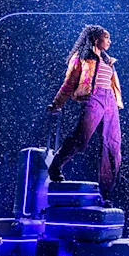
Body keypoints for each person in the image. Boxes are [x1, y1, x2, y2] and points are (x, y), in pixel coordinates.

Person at [46, 24, 123, 207]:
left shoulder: (108, 61)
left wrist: (114, 102)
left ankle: (106, 194)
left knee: (112, 145)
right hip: (93, 97)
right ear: (95, 39)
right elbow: (69, 83)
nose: (110, 41)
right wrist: (57, 103)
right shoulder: (81, 57)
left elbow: (112, 85)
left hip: (110, 101)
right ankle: (55, 166)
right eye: (106, 37)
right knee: (81, 138)